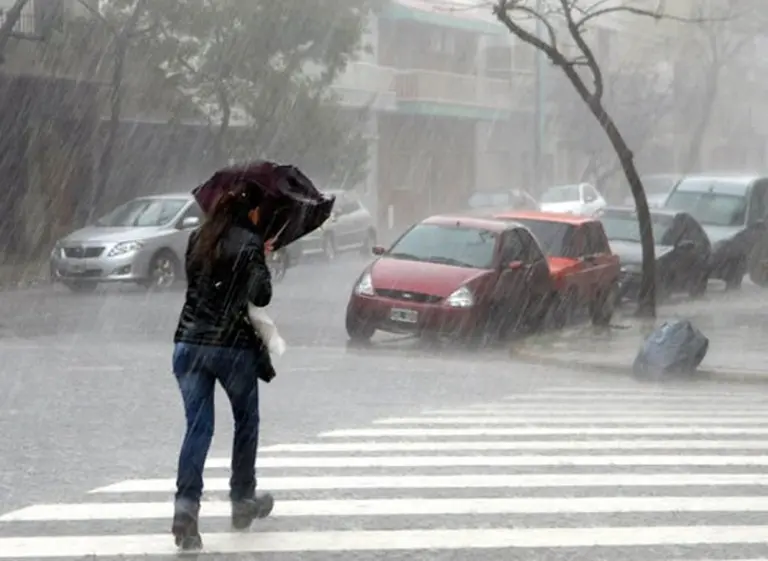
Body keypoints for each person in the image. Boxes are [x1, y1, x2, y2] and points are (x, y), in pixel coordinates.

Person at [171, 180, 275, 550]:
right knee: (246, 421)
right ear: (251, 211)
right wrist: (262, 257)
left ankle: (185, 510)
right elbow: (260, 294)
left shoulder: (197, 238)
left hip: (188, 344)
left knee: (197, 429)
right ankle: (242, 499)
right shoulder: (249, 242)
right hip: (231, 348)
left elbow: (200, 286)